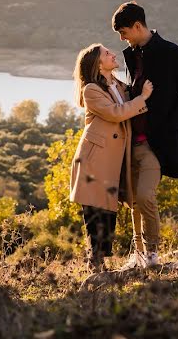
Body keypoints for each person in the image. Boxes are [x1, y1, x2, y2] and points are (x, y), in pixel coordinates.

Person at [113, 1, 178, 269]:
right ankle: (138, 254)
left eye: (124, 31)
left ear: (138, 26)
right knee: (133, 201)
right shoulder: (130, 54)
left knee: (145, 196)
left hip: (157, 143)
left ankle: (152, 255)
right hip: (132, 141)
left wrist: (172, 126)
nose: (122, 38)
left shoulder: (172, 52)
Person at [69, 43, 153, 272]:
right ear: (98, 63)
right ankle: (95, 266)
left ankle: (98, 264)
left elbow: (129, 98)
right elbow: (116, 113)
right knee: (96, 213)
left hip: (110, 158)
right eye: (107, 53)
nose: (112, 54)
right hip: (94, 158)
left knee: (107, 214)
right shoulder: (91, 90)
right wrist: (144, 97)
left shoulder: (117, 84)